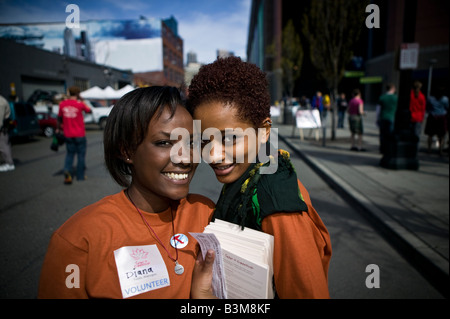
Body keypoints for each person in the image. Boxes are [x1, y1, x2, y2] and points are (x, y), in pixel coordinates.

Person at [38, 86, 216, 299]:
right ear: (126, 150)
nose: (185, 157)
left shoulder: (207, 214)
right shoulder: (79, 238)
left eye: (191, 143)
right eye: (164, 143)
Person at [187, 57, 332, 299]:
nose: (212, 155)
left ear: (264, 131)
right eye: (204, 140)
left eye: (229, 138)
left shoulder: (276, 202)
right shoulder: (246, 175)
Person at [57, 86, 92, 184]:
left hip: (68, 134)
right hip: (79, 134)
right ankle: (80, 176)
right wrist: (82, 100)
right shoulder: (80, 104)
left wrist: (58, 129)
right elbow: (89, 110)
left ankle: (68, 172)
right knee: (81, 156)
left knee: (69, 154)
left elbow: (59, 118)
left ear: (69, 93)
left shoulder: (62, 104)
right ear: (77, 94)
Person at [425, 87, 449, 155]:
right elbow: (447, 107)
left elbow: (427, 107)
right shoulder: (445, 99)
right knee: (441, 135)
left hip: (432, 117)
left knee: (430, 135)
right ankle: (440, 150)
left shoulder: (430, 98)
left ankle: (429, 149)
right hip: (441, 117)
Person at [378, 84, 398, 154]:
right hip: (391, 118)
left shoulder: (382, 97)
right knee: (390, 134)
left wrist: (377, 119)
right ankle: (389, 148)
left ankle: (382, 148)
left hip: (383, 117)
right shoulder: (396, 98)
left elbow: (378, 110)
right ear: (392, 88)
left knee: (382, 134)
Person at [409, 81, 426, 153]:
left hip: (410, 117)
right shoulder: (422, 96)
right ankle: (415, 150)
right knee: (417, 135)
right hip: (418, 118)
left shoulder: (410, 95)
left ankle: (409, 148)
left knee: (409, 135)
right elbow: (423, 109)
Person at [0, 95, 15, 172]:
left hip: (2, 129)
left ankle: (9, 163)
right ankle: (9, 163)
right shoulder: (2, 100)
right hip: (3, 127)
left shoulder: (1, 102)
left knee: (3, 146)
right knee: (4, 145)